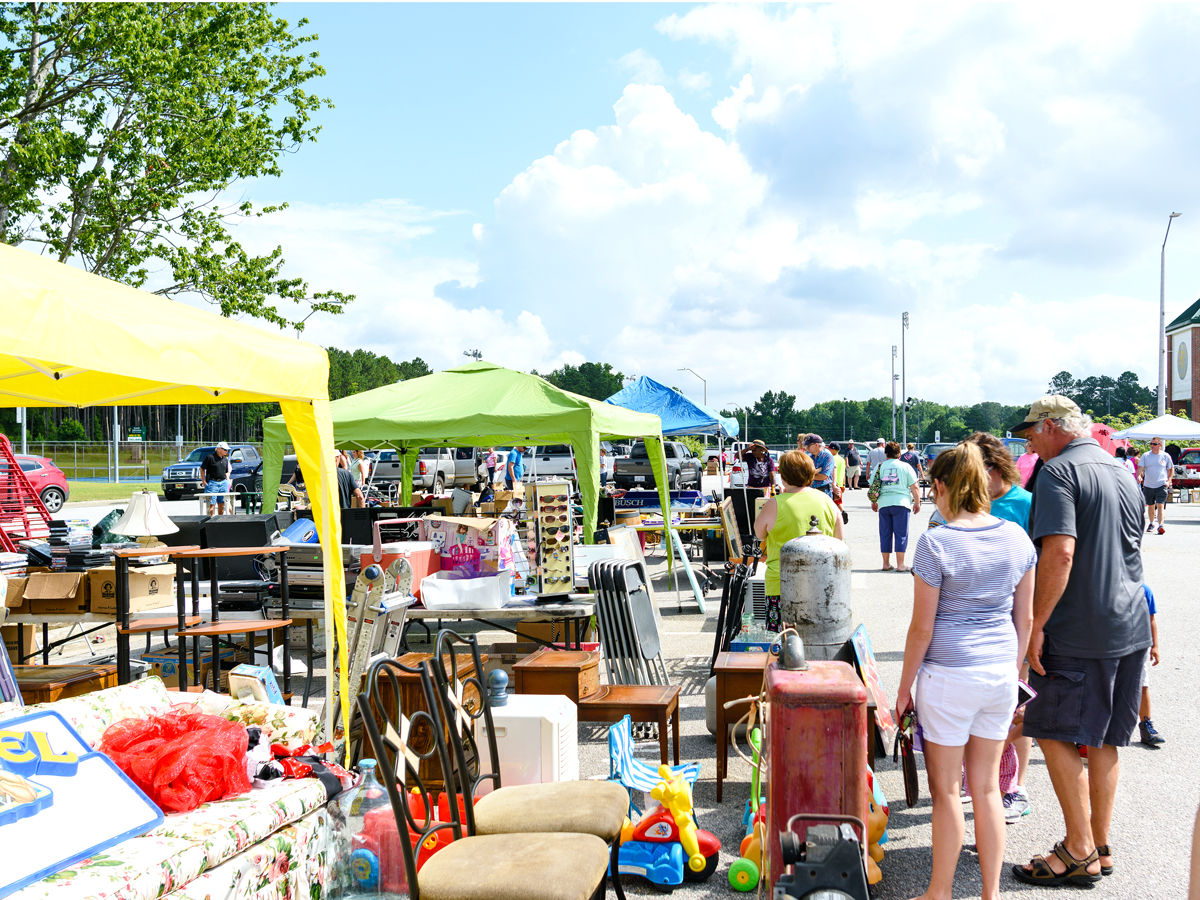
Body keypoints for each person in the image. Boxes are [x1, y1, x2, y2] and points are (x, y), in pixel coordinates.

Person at [1010, 395, 1149, 886]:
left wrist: (1036, 625)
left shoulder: (1058, 473)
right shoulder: (1120, 471)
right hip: (1128, 623)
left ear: (1052, 427)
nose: (1029, 443)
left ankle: (1077, 848)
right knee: (1105, 738)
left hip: (1079, 626)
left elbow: (1061, 553)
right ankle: (1099, 846)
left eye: (1031, 434)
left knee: (1049, 727)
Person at [895, 442, 1036, 900]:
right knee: (988, 790)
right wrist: (1013, 672)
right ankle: (989, 894)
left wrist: (902, 690)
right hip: (999, 673)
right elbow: (1026, 618)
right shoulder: (1017, 537)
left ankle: (940, 892)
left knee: (947, 793)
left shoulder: (936, 542)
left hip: (949, 675)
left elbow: (922, 628)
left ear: (940, 486)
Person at [965, 432, 1034, 823]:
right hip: (971, 632)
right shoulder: (964, 505)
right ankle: (978, 780)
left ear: (992, 469)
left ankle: (1016, 785)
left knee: (1016, 707)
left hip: (1014, 623)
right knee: (978, 708)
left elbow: (1039, 565)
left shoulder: (1025, 504)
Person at [754, 450, 844, 631]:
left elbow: (759, 534)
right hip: (820, 582)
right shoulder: (827, 501)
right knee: (817, 640)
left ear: (784, 477)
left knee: (780, 642)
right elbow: (839, 540)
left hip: (781, 583)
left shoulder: (774, 503)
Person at [870, 441, 920, 571]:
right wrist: (917, 502)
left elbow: (873, 485)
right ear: (899, 453)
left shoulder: (880, 466)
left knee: (885, 533)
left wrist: (874, 501)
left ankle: (886, 563)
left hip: (883, 503)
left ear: (886, 453)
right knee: (901, 533)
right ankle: (901, 564)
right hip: (901, 503)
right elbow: (914, 486)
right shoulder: (906, 466)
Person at [1138, 584, 1165, 746]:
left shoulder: (1144, 590)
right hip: (1110, 649)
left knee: (1142, 686)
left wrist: (1155, 646)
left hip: (1137, 650)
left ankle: (1146, 726)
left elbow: (1151, 619)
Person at [1139, 435, 1172, 534]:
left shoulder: (1165, 456)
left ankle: (1161, 525)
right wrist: (1139, 476)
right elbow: (1140, 468)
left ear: (1160, 445)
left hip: (1161, 484)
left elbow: (1171, 469)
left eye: (1154, 444)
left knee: (1160, 505)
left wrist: (1169, 480)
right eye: (1151, 444)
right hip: (1149, 485)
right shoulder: (1146, 455)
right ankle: (1152, 523)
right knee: (1150, 505)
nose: (1152, 446)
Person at [200, 441, 232, 515]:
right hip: (212, 482)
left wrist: (226, 479)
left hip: (223, 482)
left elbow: (227, 471)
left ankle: (219, 520)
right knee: (211, 504)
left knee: (222, 503)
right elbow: (202, 469)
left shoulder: (225, 460)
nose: (226, 451)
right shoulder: (210, 457)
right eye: (224, 449)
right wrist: (204, 481)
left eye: (227, 450)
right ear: (218, 449)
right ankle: (210, 520)